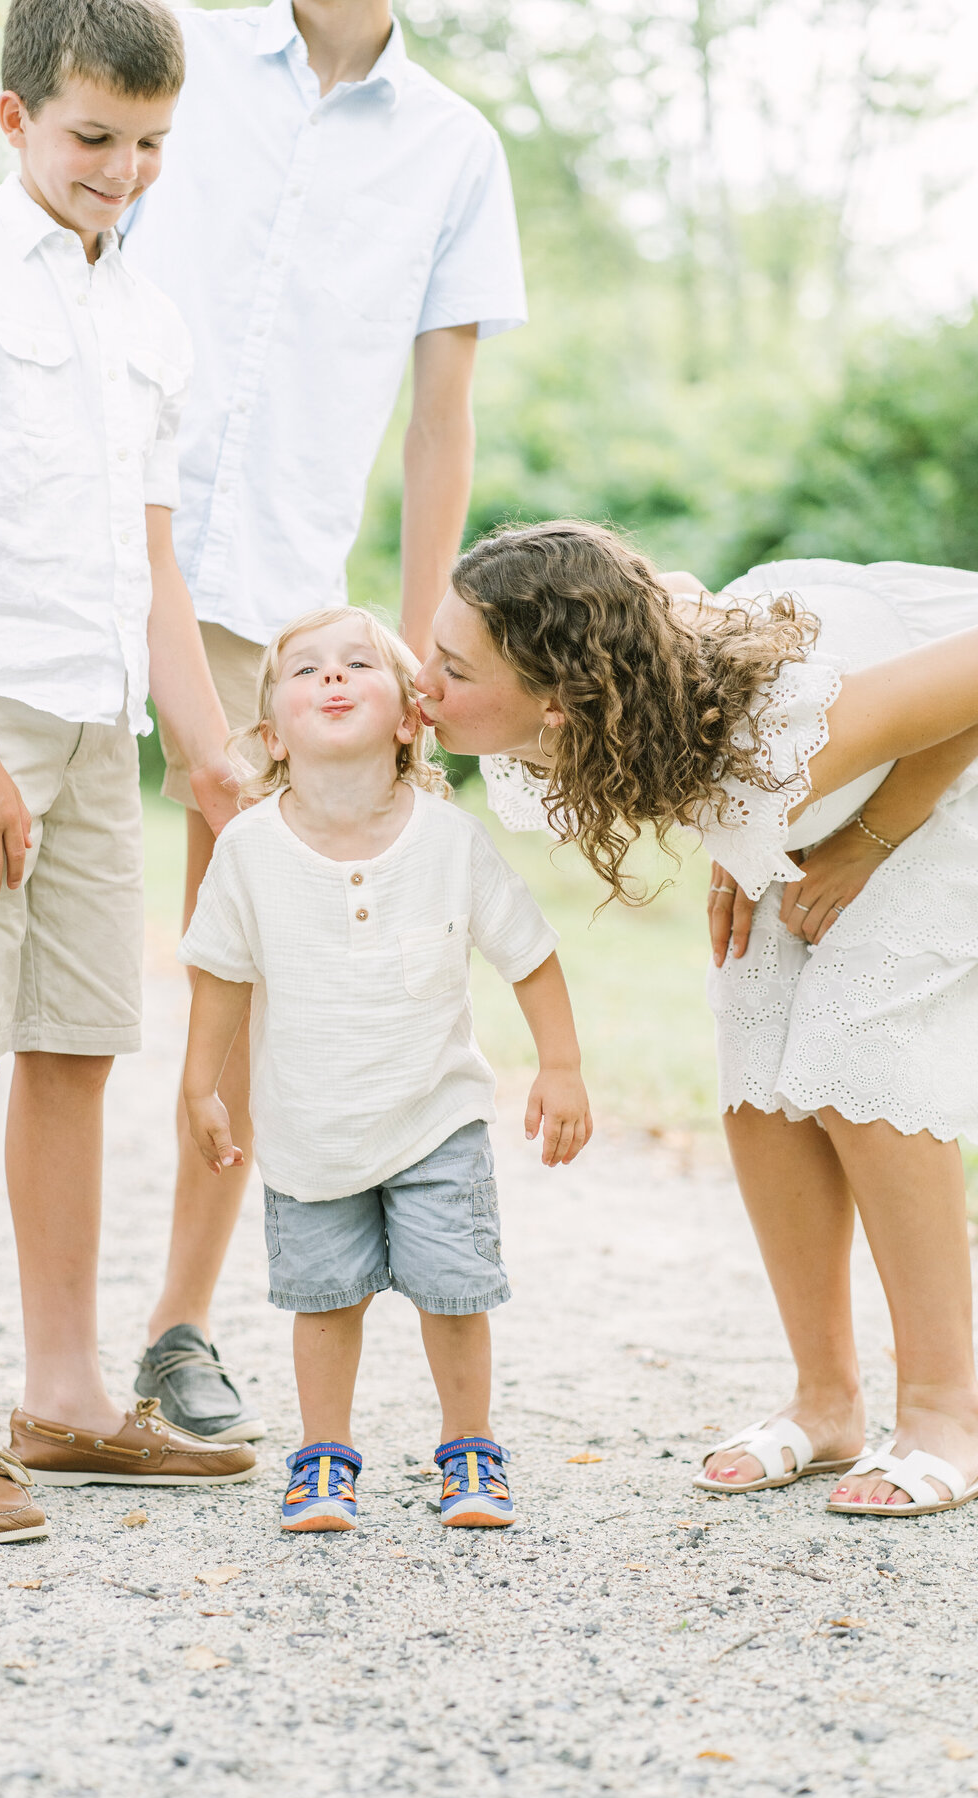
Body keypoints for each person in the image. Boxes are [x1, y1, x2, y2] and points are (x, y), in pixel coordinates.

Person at [0, 0, 255, 1545]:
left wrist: (204, 751)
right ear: (14, 120)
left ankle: (67, 1394)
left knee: (78, 1046)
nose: (123, 171)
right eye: (94, 138)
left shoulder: (150, 317)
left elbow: (152, 551)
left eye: (151, 146)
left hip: (97, 725)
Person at [120, 0, 527, 1443]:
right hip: (79, 549)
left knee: (240, 976)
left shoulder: (455, 146)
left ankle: (179, 1324)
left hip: (271, 599)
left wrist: (415, 649)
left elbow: (439, 421)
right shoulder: (175, 54)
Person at [416, 518, 978, 1518]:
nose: (424, 683)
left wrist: (869, 839)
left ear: (559, 699)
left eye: (453, 668)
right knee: (753, 1038)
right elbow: (711, 724)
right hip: (835, 763)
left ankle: (948, 1412)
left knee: (859, 1040)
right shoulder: (639, 694)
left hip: (951, 769)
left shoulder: (798, 733)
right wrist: (749, 823)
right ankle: (825, 1402)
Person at [179, 605, 591, 1531]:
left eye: (358, 664)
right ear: (272, 735)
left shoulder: (449, 842)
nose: (331, 678)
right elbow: (222, 974)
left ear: (410, 718)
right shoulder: (248, 850)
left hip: (436, 1120)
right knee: (325, 1301)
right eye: (306, 671)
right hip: (309, 1131)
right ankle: (324, 1458)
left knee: (454, 1290)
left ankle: (471, 1451)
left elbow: (528, 952)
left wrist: (559, 1066)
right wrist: (200, 1084)